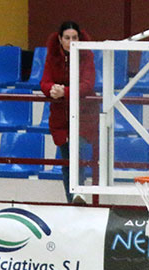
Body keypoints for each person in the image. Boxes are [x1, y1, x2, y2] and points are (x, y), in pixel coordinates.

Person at [41, 20, 96, 203]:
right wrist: (51, 89)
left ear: (79, 38)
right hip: (60, 118)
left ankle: (78, 193)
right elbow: (44, 82)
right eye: (67, 38)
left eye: (74, 37)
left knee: (77, 153)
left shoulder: (87, 56)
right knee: (66, 162)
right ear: (60, 39)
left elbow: (87, 85)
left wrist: (64, 91)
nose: (71, 41)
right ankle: (71, 199)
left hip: (84, 116)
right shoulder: (52, 56)